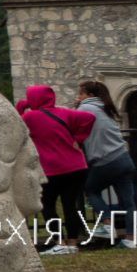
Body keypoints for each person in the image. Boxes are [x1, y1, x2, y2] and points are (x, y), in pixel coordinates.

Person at [14, 85, 94, 253]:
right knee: (70, 205)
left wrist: (21, 108)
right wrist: (78, 139)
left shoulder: (30, 117)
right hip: (76, 166)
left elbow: (14, 129)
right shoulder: (65, 113)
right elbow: (89, 118)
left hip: (52, 169)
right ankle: (73, 242)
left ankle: (59, 241)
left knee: (47, 204)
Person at [73, 82, 137, 248]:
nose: (78, 97)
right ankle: (130, 239)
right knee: (129, 202)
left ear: (87, 94)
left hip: (106, 160)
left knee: (91, 190)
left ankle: (107, 224)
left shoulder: (85, 109)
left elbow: (72, 124)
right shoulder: (105, 108)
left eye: (80, 94)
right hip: (123, 157)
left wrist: (76, 107)